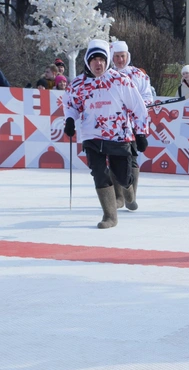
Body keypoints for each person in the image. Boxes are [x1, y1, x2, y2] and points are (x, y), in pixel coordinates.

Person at [63, 39, 149, 229]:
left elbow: (138, 107)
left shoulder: (120, 80)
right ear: (87, 61)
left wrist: (141, 133)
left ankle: (128, 191)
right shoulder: (78, 84)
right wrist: (70, 120)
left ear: (107, 60)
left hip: (118, 135)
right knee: (99, 174)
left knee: (122, 175)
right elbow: (71, 105)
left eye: (101, 59)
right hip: (91, 135)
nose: (98, 63)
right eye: (94, 59)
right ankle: (110, 216)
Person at [109, 41, 154, 208]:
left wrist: (139, 104)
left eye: (123, 56)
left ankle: (131, 196)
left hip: (133, 125)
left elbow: (148, 96)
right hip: (112, 126)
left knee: (132, 159)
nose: (120, 59)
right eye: (117, 56)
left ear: (128, 56)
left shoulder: (138, 74)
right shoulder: (107, 74)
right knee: (114, 159)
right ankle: (118, 197)